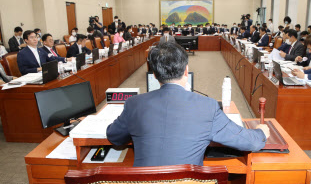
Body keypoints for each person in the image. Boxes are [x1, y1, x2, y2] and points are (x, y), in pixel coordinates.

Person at [106, 41, 269, 167]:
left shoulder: (134, 104)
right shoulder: (208, 106)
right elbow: (251, 142)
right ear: (186, 70)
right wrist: (261, 131)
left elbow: (114, 136)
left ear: (154, 74)